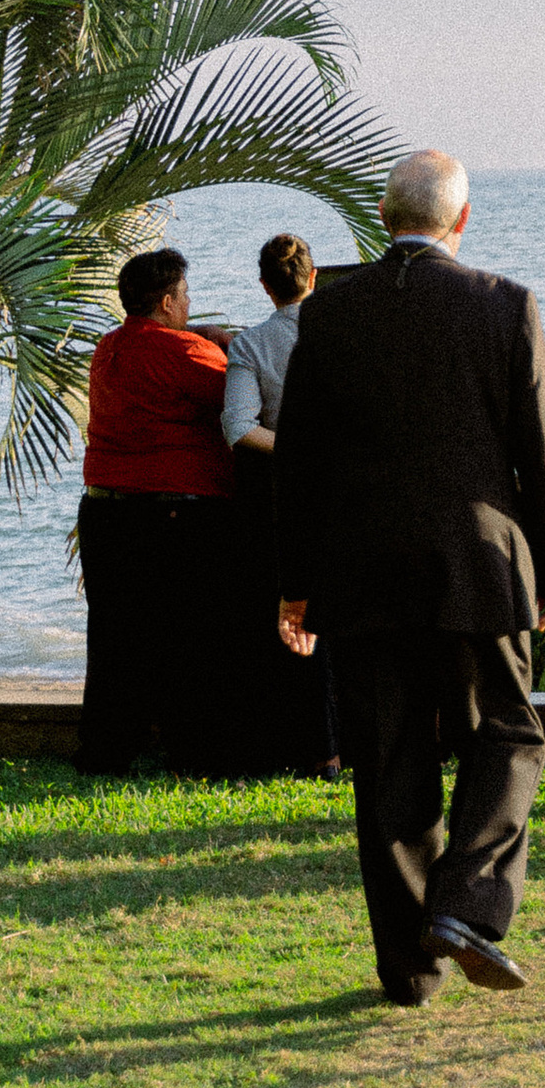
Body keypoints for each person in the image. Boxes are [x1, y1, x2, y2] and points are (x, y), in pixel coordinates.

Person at [275, 148, 545, 1004]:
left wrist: (296, 582)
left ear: (381, 216)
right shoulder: (504, 304)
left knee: (388, 762)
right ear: (461, 221)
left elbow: (300, 461)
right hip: (479, 565)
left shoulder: (330, 313)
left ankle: (409, 967)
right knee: (510, 736)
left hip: (362, 574)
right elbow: (543, 453)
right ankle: (470, 906)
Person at [78, 245, 237, 778]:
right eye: (186, 295)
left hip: (104, 510)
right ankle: (195, 754)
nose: (190, 304)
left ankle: (105, 751)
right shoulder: (181, 352)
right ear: (168, 302)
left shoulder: (109, 348)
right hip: (171, 513)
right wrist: (229, 345)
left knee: (114, 635)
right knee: (189, 635)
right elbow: (238, 391)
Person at [221, 233, 340, 778]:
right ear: (313, 278)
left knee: (292, 620)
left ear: (266, 286)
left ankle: (305, 744)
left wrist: (291, 447)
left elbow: (238, 426)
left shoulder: (249, 345)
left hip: (282, 501)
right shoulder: (347, 330)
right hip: (349, 495)